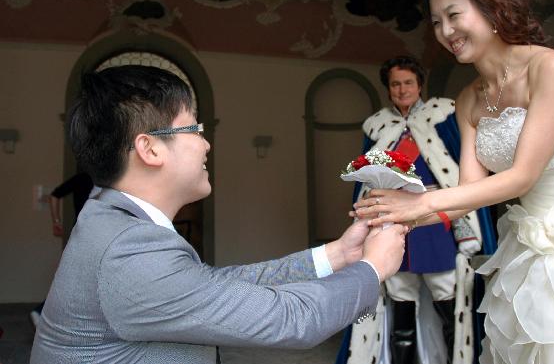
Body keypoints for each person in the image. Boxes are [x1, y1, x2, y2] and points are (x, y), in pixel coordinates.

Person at [30, 65, 409, 363]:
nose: (206, 143)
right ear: (149, 149)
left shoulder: (110, 218)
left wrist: (337, 255)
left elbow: (212, 286)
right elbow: (294, 319)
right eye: (194, 127)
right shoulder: (128, 250)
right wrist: (373, 268)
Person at [353, 0, 554, 364]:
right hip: (531, 240)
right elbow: (469, 192)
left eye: (453, 15)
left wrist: (421, 203)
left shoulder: (549, 68)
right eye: (436, 22)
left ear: (490, 8)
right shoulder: (468, 100)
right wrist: (393, 215)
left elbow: (521, 176)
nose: (446, 31)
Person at [339, 56, 496, 364]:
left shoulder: (443, 116)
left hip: (435, 223)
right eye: (395, 84)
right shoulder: (377, 127)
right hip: (392, 227)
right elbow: (366, 177)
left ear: (420, 85)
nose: (402, 89)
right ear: (388, 88)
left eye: (408, 82)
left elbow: (461, 171)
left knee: (449, 304)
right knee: (400, 306)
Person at [29, 171, 95, 328]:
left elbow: (54, 196)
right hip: (91, 233)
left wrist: (56, 222)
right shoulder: (109, 178)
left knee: (79, 278)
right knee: (79, 278)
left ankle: (43, 312)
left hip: (80, 232)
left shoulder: (83, 177)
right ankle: (42, 311)